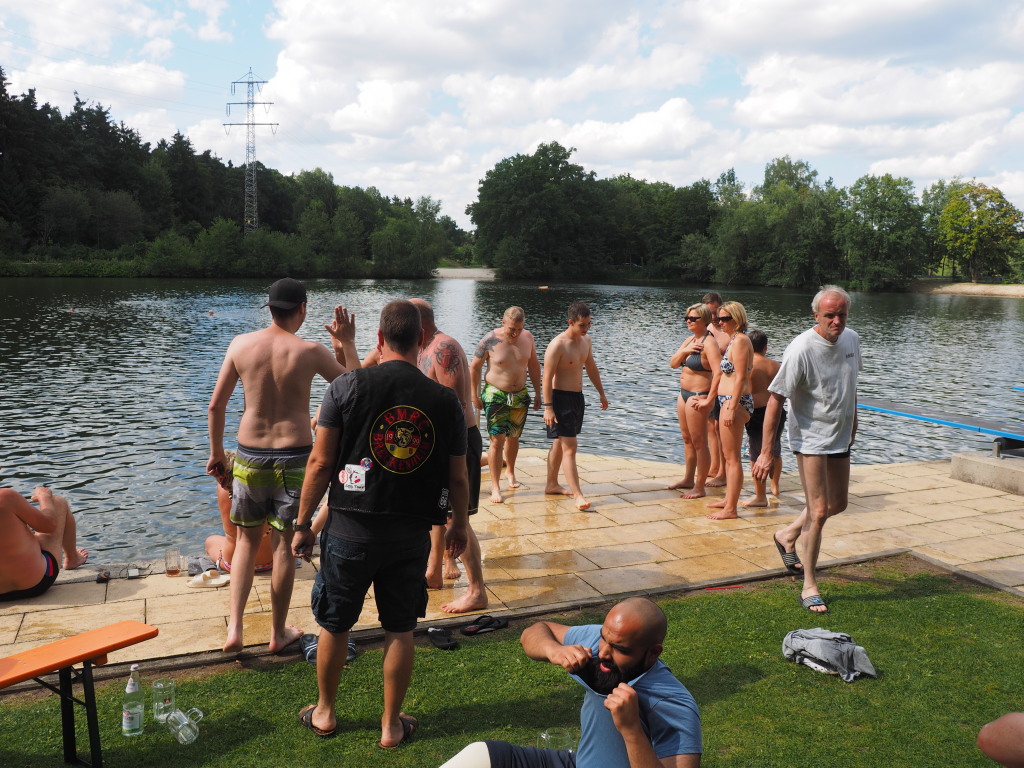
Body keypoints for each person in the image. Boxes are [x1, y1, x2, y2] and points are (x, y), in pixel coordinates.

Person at [291, 299, 470, 747]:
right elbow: (458, 477)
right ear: (421, 340)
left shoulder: (346, 386)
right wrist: (459, 525)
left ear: (379, 338)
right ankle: (391, 725)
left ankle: (325, 713)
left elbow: (319, 463)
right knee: (399, 629)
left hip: (348, 531)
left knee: (335, 626)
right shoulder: (444, 401)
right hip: (410, 535)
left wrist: (303, 523)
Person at [206, 277, 359, 653]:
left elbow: (216, 405)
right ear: (302, 308)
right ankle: (277, 633)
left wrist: (216, 453)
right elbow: (356, 388)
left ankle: (235, 629)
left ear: (270, 308)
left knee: (245, 541)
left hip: (249, 455)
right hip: (295, 458)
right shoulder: (310, 350)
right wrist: (346, 345)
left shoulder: (240, 345)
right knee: (283, 545)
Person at [438, 597, 702, 768]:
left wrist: (632, 729)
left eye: (620, 648)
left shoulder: (673, 704)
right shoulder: (597, 645)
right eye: (604, 638)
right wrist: (553, 650)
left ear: (653, 653)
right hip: (576, 764)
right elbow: (537, 630)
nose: (603, 652)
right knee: (480, 755)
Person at [753, 285, 862, 614]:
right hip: (811, 438)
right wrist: (766, 452)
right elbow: (775, 399)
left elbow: (851, 385)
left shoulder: (852, 340)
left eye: (842, 314)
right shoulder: (801, 348)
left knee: (837, 503)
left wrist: (854, 422)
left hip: (840, 435)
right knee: (818, 511)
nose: (837, 321)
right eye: (830, 315)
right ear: (816, 315)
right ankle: (810, 585)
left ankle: (787, 534)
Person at [410, 298, 488, 614]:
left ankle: (477, 591)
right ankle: (433, 571)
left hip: (457, 442)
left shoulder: (445, 348)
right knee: (438, 514)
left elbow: (454, 407)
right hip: (436, 445)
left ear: (420, 324)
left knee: (458, 518)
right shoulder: (421, 348)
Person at [542, 302, 609, 511]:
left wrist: (601, 393)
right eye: (582, 325)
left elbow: (591, 367)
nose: (586, 328)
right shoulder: (558, 345)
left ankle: (551, 484)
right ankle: (578, 495)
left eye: (589, 324)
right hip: (559, 399)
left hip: (577, 398)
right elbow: (547, 378)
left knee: (559, 443)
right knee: (570, 447)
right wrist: (548, 407)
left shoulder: (586, 340)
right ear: (570, 322)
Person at [471, 306, 542, 504]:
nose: (515, 333)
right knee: (497, 440)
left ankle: (510, 471)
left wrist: (538, 392)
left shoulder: (528, 338)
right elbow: (474, 367)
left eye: (519, 329)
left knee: (514, 436)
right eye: (512, 329)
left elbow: (533, 365)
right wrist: (473, 395)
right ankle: (495, 486)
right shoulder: (490, 339)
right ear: (503, 323)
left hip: (520, 394)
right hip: (495, 394)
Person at [698, 302, 754, 520]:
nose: (720, 322)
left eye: (725, 318)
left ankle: (731, 509)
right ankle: (729, 499)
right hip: (727, 400)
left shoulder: (740, 341)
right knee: (728, 456)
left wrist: (731, 406)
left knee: (732, 459)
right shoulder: (734, 340)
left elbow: (741, 377)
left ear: (737, 318)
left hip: (734, 401)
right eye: (718, 318)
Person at [668, 303, 722, 499]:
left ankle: (700, 486)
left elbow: (718, 373)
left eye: (693, 318)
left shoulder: (709, 343)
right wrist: (685, 351)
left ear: (705, 320)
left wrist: (709, 400)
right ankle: (688, 479)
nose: (688, 321)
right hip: (683, 394)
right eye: (687, 318)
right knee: (687, 439)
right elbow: (673, 364)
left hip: (698, 395)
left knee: (699, 442)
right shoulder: (690, 340)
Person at [0, 486, 88, 601]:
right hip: (36, 584)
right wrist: (44, 497)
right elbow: (49, 526)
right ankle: (73, 558)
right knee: (57, 502)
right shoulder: (6, 497)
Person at [204, 451, 275, 573]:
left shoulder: (223, 491)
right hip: (269, 562)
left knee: (210, 541)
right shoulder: (263, 488)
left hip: (233, 563)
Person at [740, 330, 784, 507]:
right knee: (775, 449)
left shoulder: (748, 366)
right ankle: (775, 485)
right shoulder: (777, 365)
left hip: (757, 414)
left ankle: (760, 496)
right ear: (766, 347)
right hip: (778, 412)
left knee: (756, 453)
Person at [701, 292, 729, 488]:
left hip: (726, 385)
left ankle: (723, 472)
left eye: (715, 312)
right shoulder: (707, 329)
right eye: (709, 313)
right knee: (711, 427)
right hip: (710, 384)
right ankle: (714, 465)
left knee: (721, 428)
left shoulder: (729, 329)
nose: (713, 317)